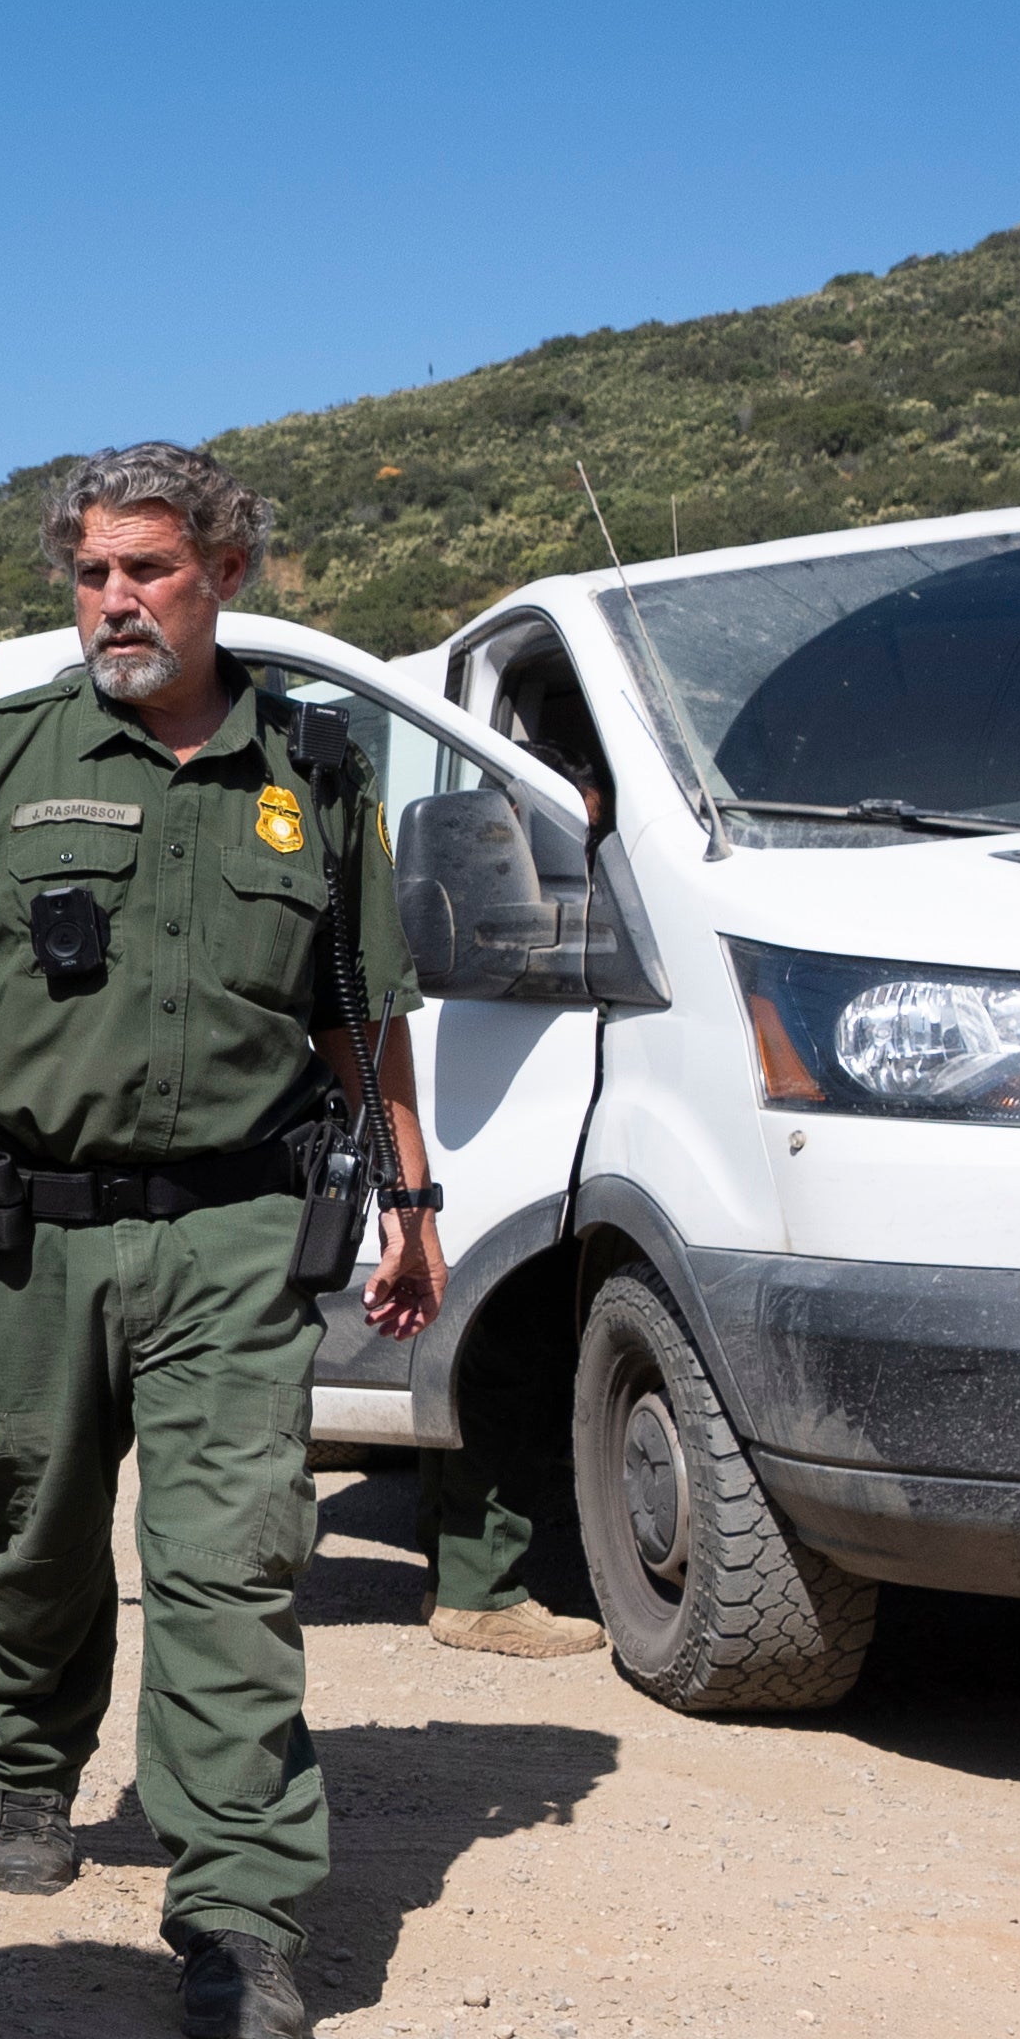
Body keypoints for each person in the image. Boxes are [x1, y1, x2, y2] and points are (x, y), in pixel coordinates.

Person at [0, 442, 441, 2039]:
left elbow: (365, 1017)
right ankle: (29, 1756)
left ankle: (241, 1911)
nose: (114, 599)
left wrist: (415, 1202)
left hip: (238, 1229)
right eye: (92, 571)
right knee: (30, 1528)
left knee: (232, 1560)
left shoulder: (320, 774)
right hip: (25, 1235)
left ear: (221, 574)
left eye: (147, 569)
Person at [420, 672, 609, 1658]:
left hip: (553, 1116)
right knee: (511, 1354)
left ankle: (486, 1565)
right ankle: (480, 1584)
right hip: (518, 1124)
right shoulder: (530, 824)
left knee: (526, 1356)